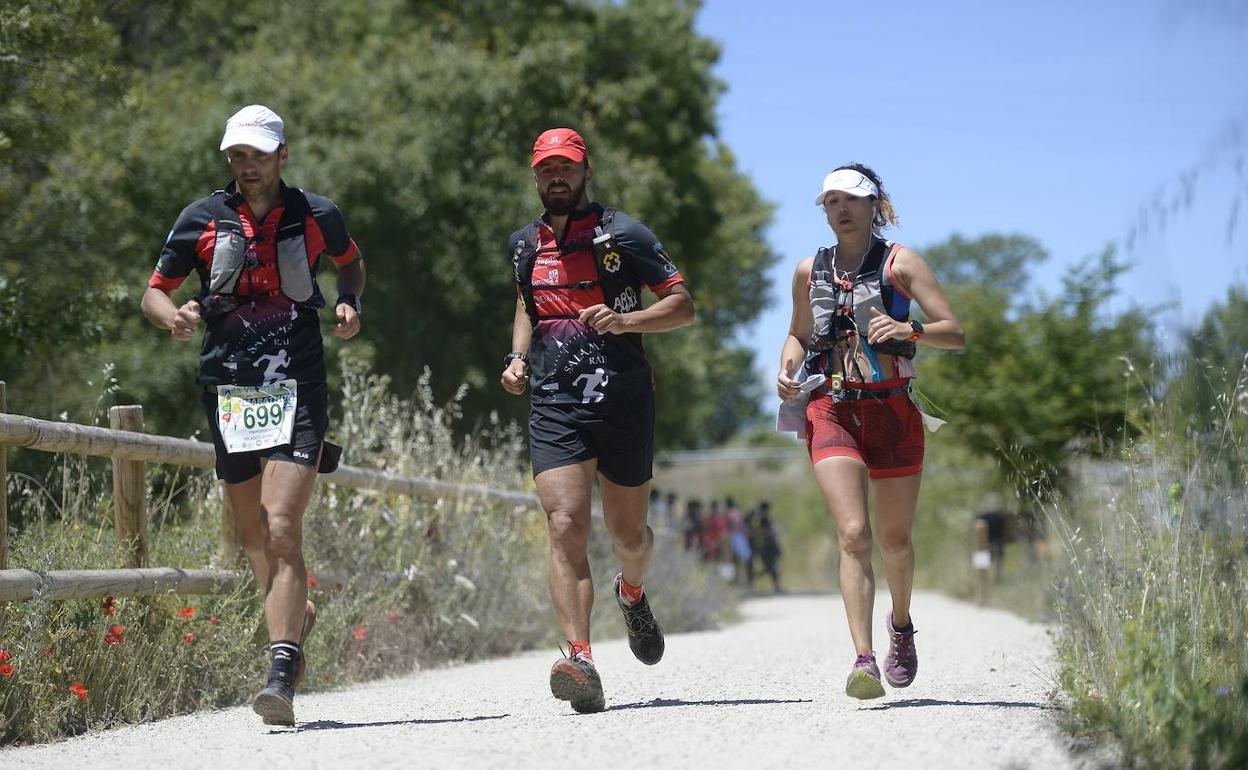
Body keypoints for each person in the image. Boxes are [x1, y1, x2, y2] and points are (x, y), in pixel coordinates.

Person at [141, 105, 365, 726]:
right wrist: (174, 318)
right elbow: (153, 291)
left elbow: (351, 262)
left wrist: (348, 303)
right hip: (231, 393)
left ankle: (281, 671)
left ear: (282, 155)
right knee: (251, 539)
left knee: (281, 525)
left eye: (258, 155)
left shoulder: (317, 215)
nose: (246, 167)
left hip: (298, 387)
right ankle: (299, 614)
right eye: (237, 156)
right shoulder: (201, 219)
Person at [500, 128, 695, 713]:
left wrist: (626, 322)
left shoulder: (624, 233)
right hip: (555, 401)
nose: (556, 177)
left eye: (567, 167)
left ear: (586, 172)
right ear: (535, 176)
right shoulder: (523, 244)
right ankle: (579, 657)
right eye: (546, 169)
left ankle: (631, 592)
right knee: (564, 522)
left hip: (624, 398)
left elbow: (682, 306)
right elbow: (525, 304)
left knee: (628, 537)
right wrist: (515, 358)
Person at [776, 164, 964, 699]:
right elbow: (797, 333)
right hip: (831, 408)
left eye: (851, 200)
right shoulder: (807, 270)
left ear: (873, 205)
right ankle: (863, 659)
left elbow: (955, 331)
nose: (841, 209)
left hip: (893, 411)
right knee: (854, 533)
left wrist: (911, 330)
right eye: (831, 202)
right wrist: (788, 369)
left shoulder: (901, 263)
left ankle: (900, 627)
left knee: (895, 540)